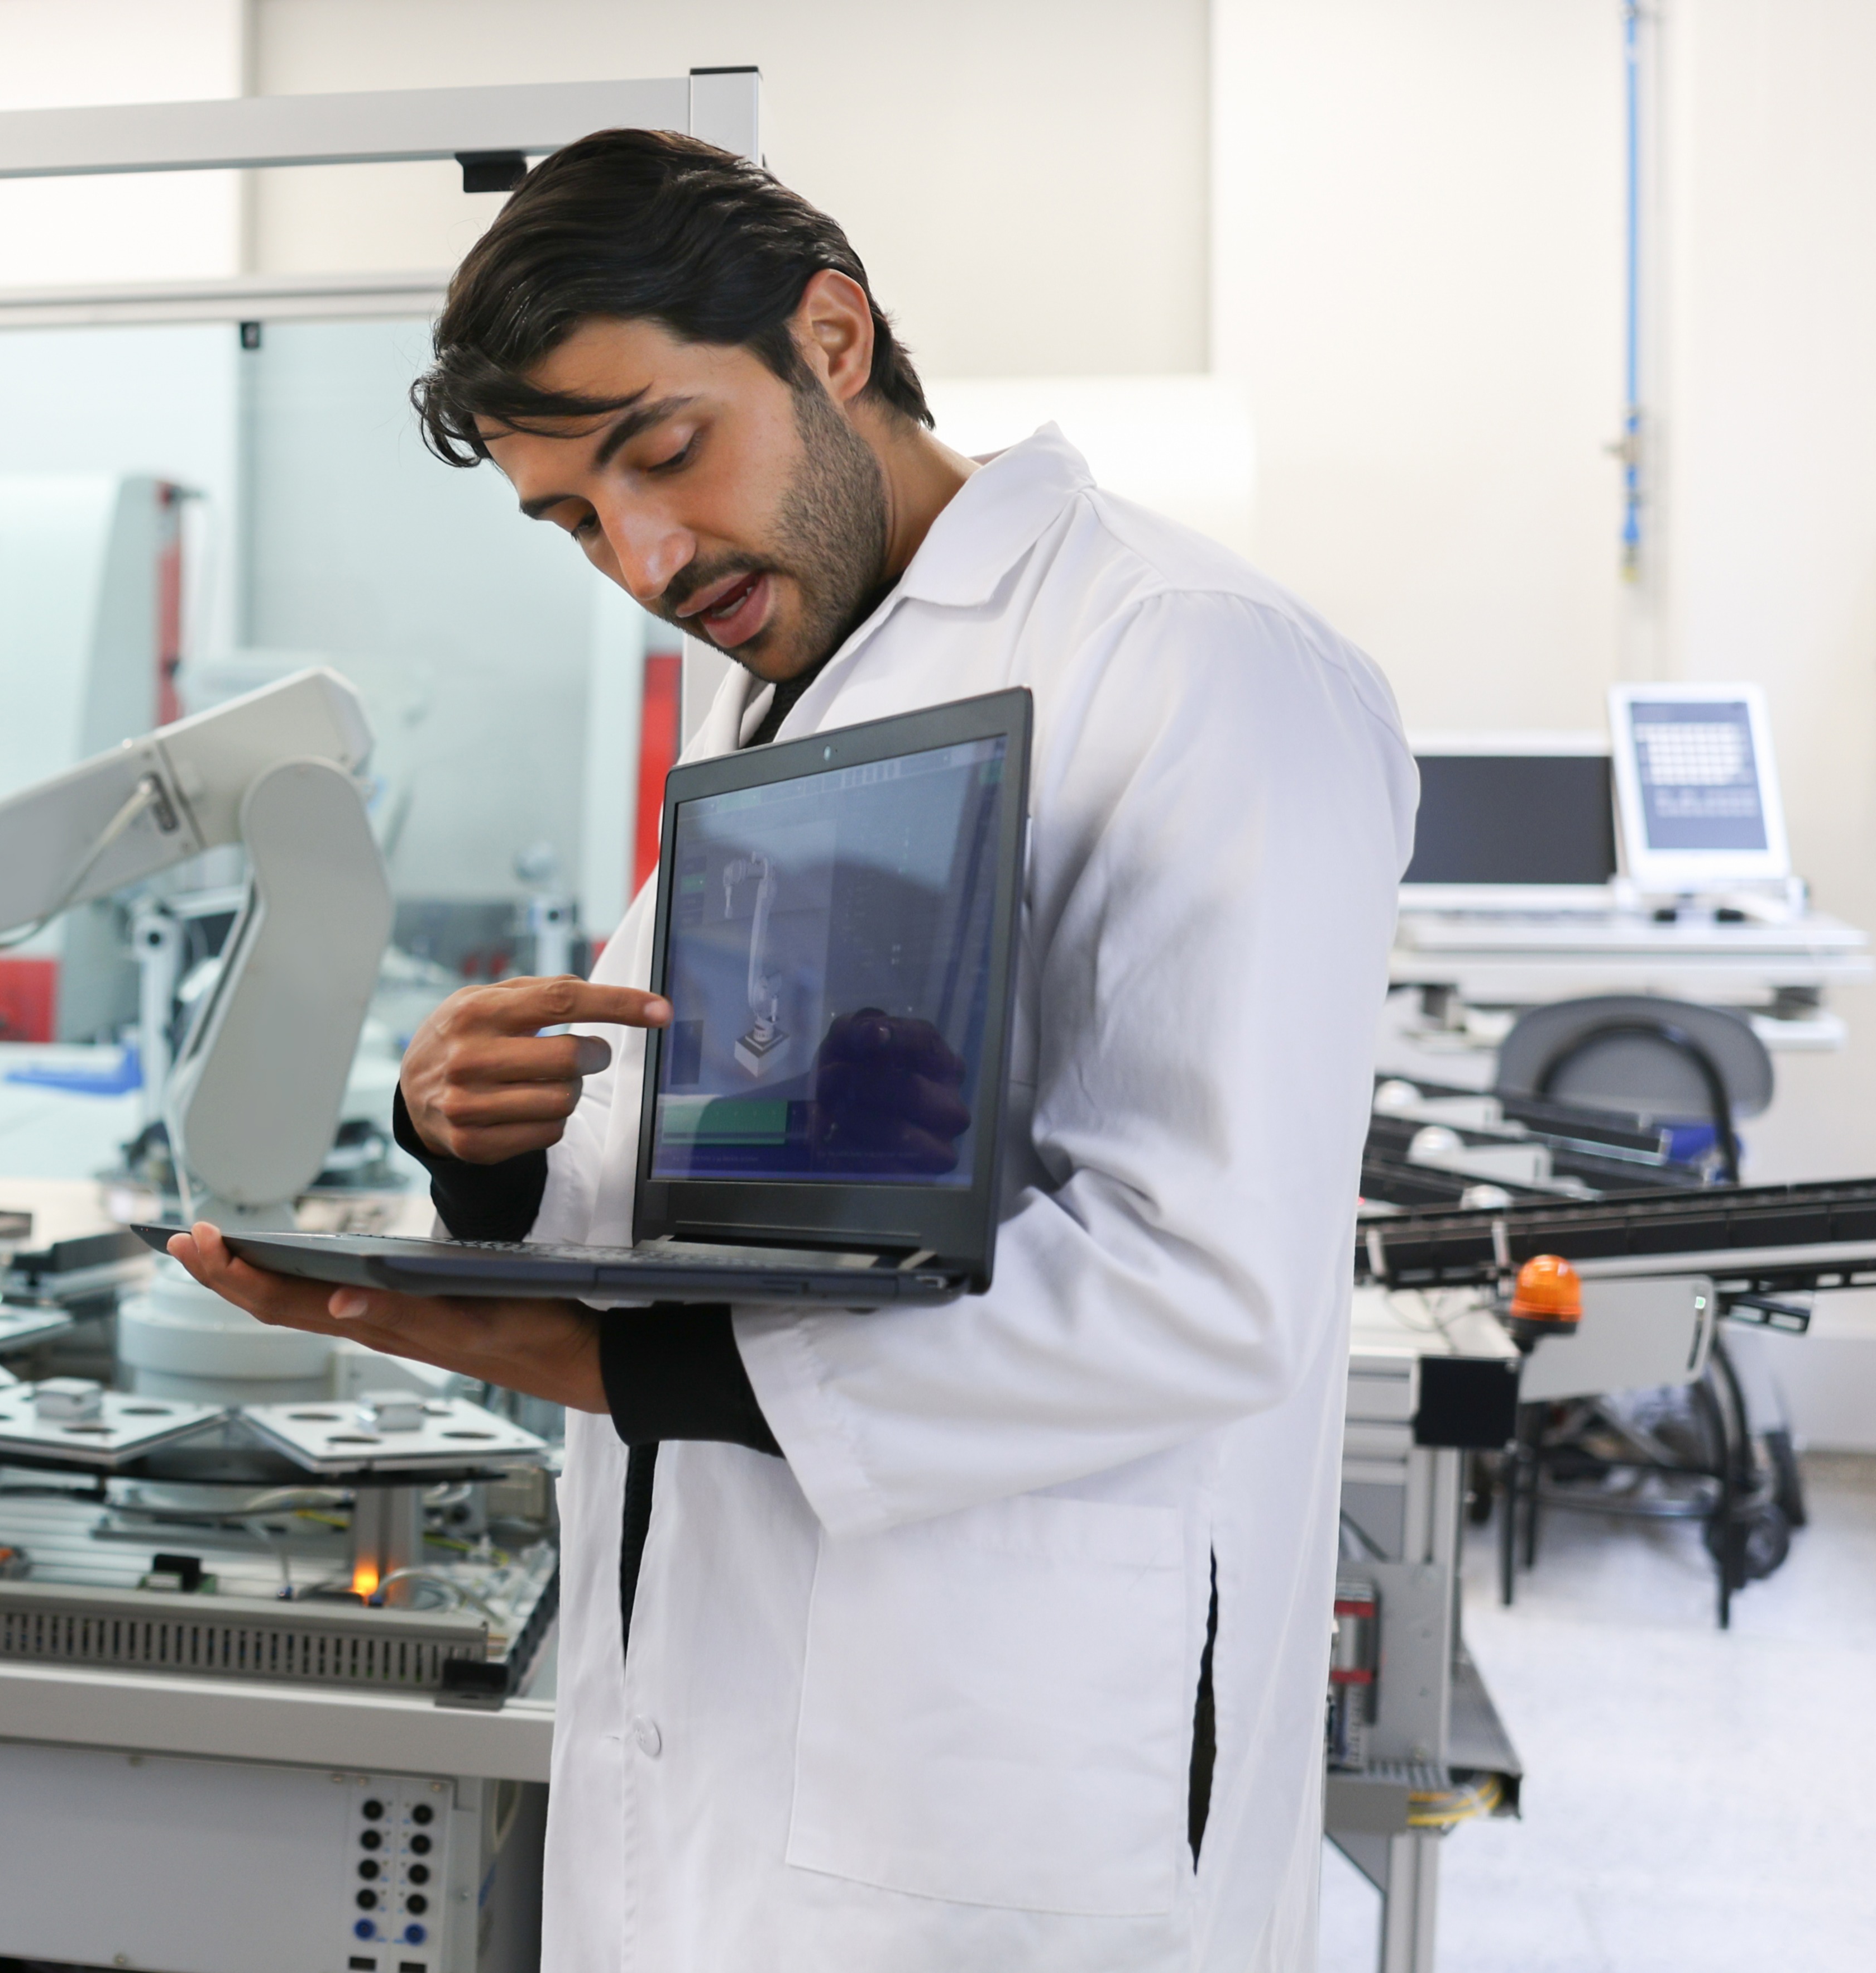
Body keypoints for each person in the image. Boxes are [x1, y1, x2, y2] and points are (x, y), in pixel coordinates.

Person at [169, 130, 1413, 1966]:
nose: (644, 557)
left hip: (993, 1803)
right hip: (733, 1747)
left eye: (659, 452)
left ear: (832, 338)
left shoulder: (1191, 657)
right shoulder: (805, 690)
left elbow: (1200, 1286)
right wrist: (489, 1148)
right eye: (574, 522)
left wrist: (622, 1377)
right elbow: (675, 1190)